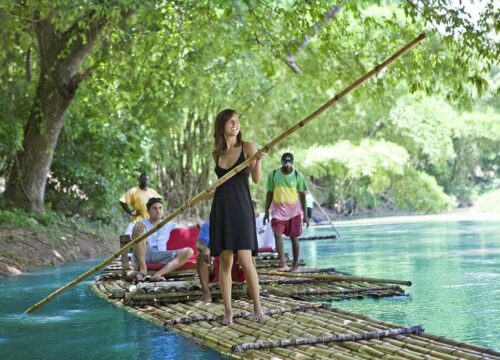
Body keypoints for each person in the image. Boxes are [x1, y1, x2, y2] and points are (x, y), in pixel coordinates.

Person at [196, 108, 266, 324]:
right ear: (222, 126)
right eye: (230, 121)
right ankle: (228, 310)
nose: (235, 124)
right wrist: (195, 200)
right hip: (222, 210)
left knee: (246, 260)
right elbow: (217, 188)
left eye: (237, 120)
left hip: (242, 210)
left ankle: (258, 308)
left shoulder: (248, 147)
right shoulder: (216, 154)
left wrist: (258, 160)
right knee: (224, 261)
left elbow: (255, 179)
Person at [264, 152, 309, 271]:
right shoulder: (273, 175)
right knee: (277, 235)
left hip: (294, 212)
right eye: (285, 163)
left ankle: (295, 265)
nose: (288, 166)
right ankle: (282, 263)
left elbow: (303, 195)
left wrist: (305, 216)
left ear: (292, 163)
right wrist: (265, 212)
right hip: (277, 212)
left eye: (290, 163)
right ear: (282, 163)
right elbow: (269, 193)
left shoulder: (297, 175)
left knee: (294, 237)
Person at [132, 197, 193, 282]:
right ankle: (143, 269)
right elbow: (137, 226)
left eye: (160, 208)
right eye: (154, 208)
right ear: (148, 211)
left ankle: (157, 275)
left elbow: (185, 228)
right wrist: (138, 225)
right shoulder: (143, 222)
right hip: (145, 253)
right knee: (139, 229)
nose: (158, 210)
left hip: (161, 254)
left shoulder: (168, 224)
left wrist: (196, 225)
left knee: (189, 251)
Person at [196, 220, 213, 303]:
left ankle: (251, 290)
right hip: (214, 261)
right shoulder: (208, 224)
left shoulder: (237, 222)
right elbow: (199, 243)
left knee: (247, 257)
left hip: (234, 258)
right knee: (201, 255)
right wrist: (204, 248)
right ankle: (206, 293)